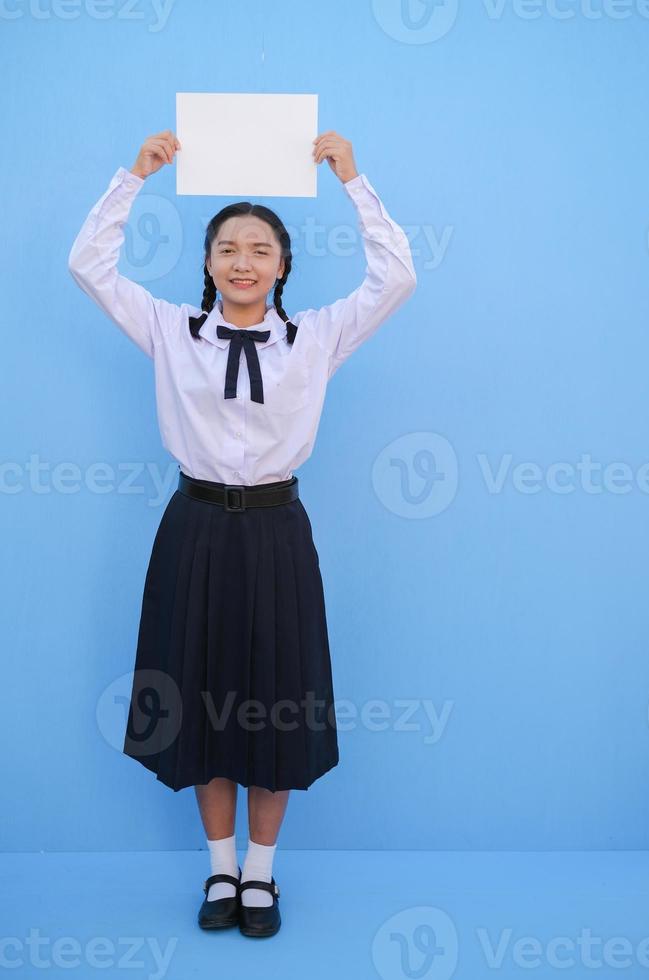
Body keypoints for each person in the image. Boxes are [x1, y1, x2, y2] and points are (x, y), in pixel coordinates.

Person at [67, 128, 417, 938]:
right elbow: (89, 265)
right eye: (228, 247)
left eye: (260, 249)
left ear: (283, 266)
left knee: (276, 702)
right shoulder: (169, 331)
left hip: (275, 533)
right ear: (209, 262)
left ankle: (261, 877)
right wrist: (136, 178)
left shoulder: (315, 338)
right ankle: (219, 869)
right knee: (198, 699)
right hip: (191, 531)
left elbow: (397, 276)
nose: (243, 262)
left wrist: (353, 181)